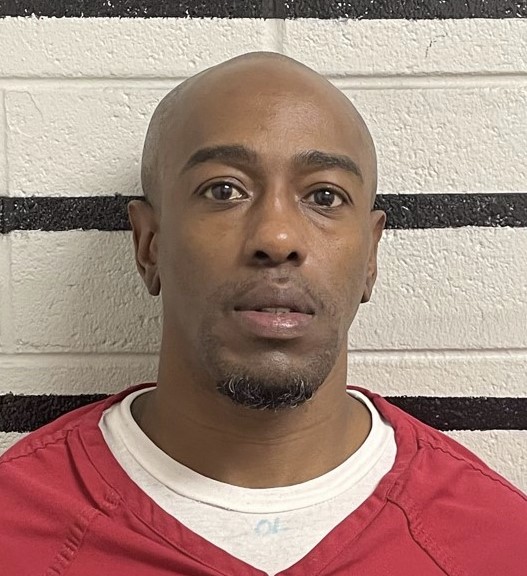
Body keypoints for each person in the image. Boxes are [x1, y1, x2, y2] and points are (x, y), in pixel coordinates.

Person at [0, 52, 525, 576]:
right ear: (149, 244)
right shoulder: (14, 531)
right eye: (224, 190)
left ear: (370, 256)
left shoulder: (498, 543)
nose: (277, 238)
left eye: (325, 196)